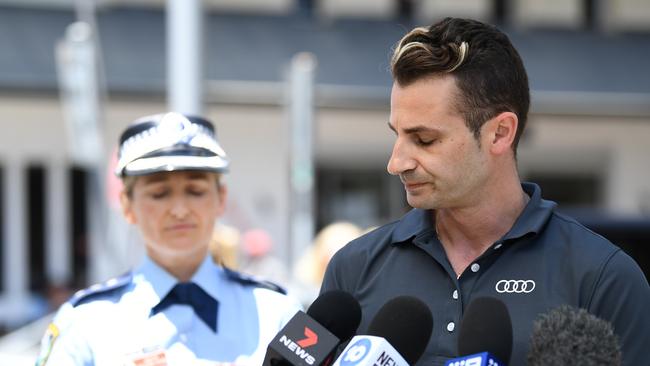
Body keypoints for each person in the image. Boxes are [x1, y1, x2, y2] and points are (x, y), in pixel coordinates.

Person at [320, 17, 649, 366]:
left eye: (424, 139)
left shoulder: (603, 279)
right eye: (396, 135)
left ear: (499, 133)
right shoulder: (353, 268)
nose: (396, 162)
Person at [36, 112, 301, 365]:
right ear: (127, 205)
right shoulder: (87, 321)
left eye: (195, 191)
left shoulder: (275, 313)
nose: (179, 210)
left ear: (221, 198)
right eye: (159, 193)